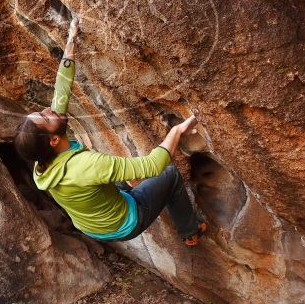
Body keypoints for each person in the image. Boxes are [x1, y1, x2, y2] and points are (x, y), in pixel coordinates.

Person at [14, 19, 207, 245]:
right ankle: (190, 232)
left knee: (116, 180)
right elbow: (153, 166)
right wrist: (177, 130)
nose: (49, 109)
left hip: (92, 226)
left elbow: (61, 92)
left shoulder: (42, 164)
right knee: (170, 175)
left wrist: (71, 42)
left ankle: (133, 194)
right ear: (54, 140)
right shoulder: (87, 164)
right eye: (46, 116)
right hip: (125, 223)